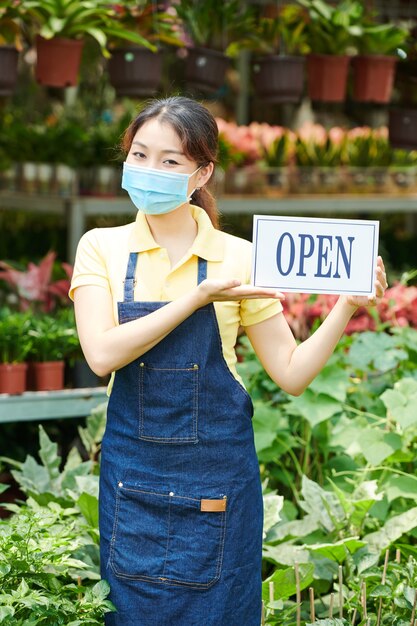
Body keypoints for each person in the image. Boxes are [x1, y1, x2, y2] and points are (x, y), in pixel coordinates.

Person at [69, 96, 387, 626]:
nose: (150, 171)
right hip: (134, 487)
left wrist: (347, 305)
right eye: (140, 155)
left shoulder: (241, 257)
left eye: (170, 161)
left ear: (202, 172)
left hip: (219, 483)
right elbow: (102, 354)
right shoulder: (101, 247)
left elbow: (292, 373)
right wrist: (195, 298)